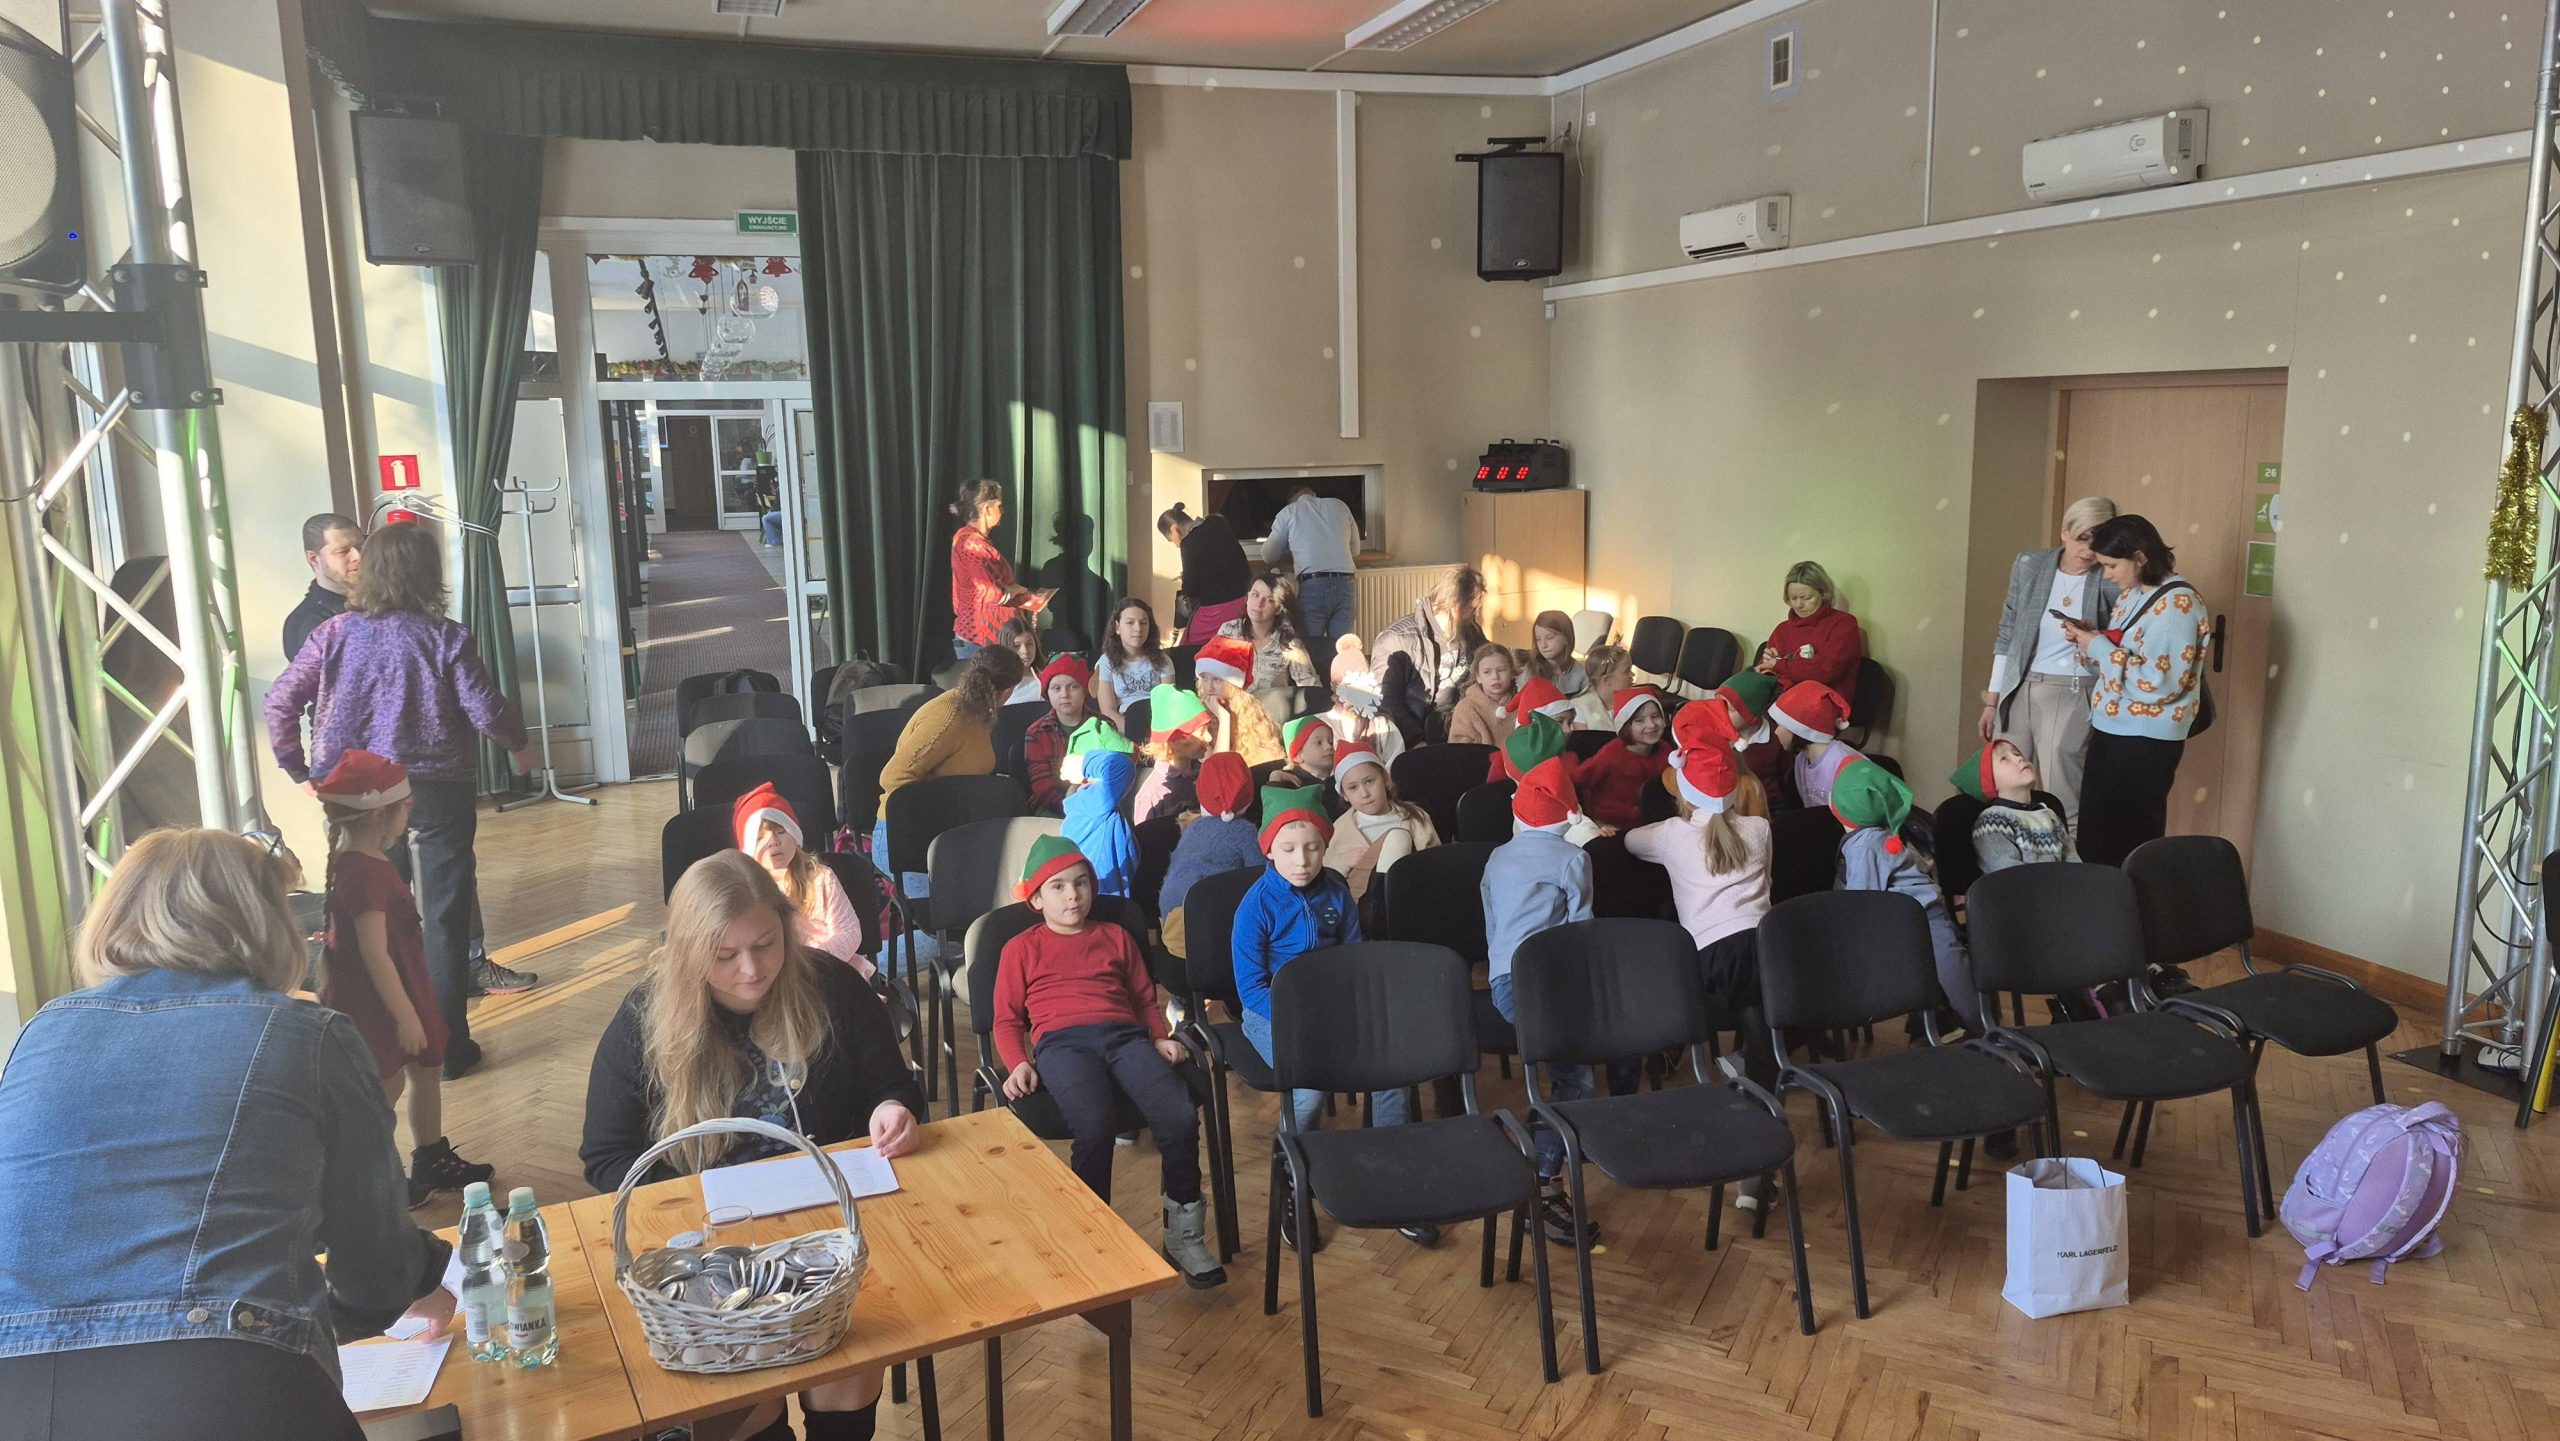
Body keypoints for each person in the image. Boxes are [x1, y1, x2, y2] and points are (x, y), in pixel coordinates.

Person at [0, 829, 454, 1438]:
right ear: (264, 921)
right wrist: (397, 1286)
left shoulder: (40, 1033)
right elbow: (374, 1267)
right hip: (222, 1382)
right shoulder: (309, 1033)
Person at [581, 851, 920, 1441]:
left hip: (829, 1229)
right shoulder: (645, 1020)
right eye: (724, 955)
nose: (751, 969)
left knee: (848, 1364)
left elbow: (893, 1085)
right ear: (689, 953)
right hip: (713, 1244)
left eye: (766, 944)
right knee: (745, 1396)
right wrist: (698, 1202)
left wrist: (893, 1109)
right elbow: (606, 1157)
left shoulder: (831, 985)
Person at [265, 521, 540, 1081]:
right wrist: (519, 746)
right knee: (442, 918)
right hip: (433, 789)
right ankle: (447, 1051)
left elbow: (279, 704)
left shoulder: (332, 634)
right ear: (428, 575)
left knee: (362, 917)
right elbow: (484, 708)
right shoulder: (445, 638)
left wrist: (297, 769)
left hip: (354, 793)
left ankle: (365, 1048)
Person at [994, 837, 1225, 1288]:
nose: (1073, 895)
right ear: (1036, 899)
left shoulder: (1115, 937)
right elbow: (1006, 1020)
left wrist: (1159, 1038)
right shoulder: (1020, 949)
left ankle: (1184, 1234)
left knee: (1178, 1114)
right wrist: (1018, 1062)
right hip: (1062, 1046)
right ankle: (1092, 1241)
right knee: (1095, 1126)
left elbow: (1142, 999)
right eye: (1058, 886)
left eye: (1081, 883)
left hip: (1125, 1039)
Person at [1232, 784, 1426, 1250]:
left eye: (1313, 848)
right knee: (1310, 1085)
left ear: (1326, 847)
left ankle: (1390, 1176)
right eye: (1288, 849)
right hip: (1273, 1013)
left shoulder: (1336, 891)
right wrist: (1304, 1022)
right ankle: (1293, 1178)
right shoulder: (1255, 906)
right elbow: (1251, 988)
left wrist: (1351, 1013)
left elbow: (1353, 960)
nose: (1302, 860)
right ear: (1269, 851)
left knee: (1392, 1072)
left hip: (1333, 1005)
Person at [315, 750, 493, 1210]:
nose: (411, 811)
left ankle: (430, 1157)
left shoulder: (360, 861)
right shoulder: (366, 873)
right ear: (380, 814)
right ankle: (371, 1179)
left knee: (426, 1069)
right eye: (406, 805)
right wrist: (405, 1016)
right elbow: (374, 954)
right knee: (386, 1088)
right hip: (384, 999)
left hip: (402, 984)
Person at [1624, 708, 1781, 1206]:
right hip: (1768, 951)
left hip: (1710, 961)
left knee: (1733, 1010)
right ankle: (1755, 1172)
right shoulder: (1759, 829)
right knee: (1762, 1037)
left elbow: (1629, 842)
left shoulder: (1671, 835)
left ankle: (1721, 1116)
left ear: (1684, 791)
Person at [1482, 755, 1598, 1245]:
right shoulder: (1573, 859)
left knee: (1565, 1068)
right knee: (1577, 1078)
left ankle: (1552, 1143)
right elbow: (1580, 934)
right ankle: (1543, 1179)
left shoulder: (1497, 857)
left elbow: (1491, 922)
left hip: (1503, 983)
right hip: (1544, 982)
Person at [2069, 514, 2211, 868]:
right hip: (2113, 727)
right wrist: (2092, 641)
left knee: (2127, 838)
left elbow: (2159, 683)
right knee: (2096, 834)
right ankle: (2101, 900)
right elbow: (2122, 660)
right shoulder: (2131, 594)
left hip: (2144, 737)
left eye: (2112, 565)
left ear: (2141, 557)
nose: (2107, 575)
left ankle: (2129, 903)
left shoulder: (2178, 604)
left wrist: (2100, 646)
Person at [1979, 497, 2122, 826]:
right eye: (2082, 538)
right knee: (2005, 784)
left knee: (2063, 791)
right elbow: (2008, 633)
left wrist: (2094, 635)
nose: (2089, 550)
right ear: (2065, 531)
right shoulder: (2030, 564)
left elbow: (2123, 636)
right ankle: (2006, 851)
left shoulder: (2109, 576)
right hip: (2020, 686)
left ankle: (2070, 854)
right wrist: (1992, 701)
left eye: (2098, 541)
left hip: (2073, 689)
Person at [875, 646, 1028, 937]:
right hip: (906, 837)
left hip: (951, 838)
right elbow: (893, 777)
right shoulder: (947, 716)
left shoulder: (981, 712)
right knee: (954, 931)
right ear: (1006, 692)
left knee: (989, 918)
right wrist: (943, 811)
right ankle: (876, 958)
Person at [1830, 760, 1977, 1035]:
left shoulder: (1865, 845)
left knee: (1952, 972)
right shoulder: (1879, 833)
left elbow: (1863, 899)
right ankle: (1943, 1023)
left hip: (1922, 916)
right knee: (1939, 970)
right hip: (1913, 915)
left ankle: (1981, 1027)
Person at [736, 784, 869, 975]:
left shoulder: (820, 878)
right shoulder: (749, 892)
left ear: (795, 836)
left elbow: (850, 931)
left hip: (830, 969)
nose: (773, 842)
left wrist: (815, 962)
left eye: (780, 831)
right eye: (760, 837)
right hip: (778, 976)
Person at [1156, 753, 1263, 958]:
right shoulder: (1244, 832)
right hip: (1205, 923)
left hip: (1169, 916)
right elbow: (1260, 876)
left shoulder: (1192, 828)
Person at [1372, 564, 1490, 746]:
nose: (1477, 615)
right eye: (1472, 609)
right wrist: (1415, 741)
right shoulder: (1397, 639)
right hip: (1417, 738)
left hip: (1463, 731)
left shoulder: (1471, 631)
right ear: (1455, 606)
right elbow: (1387, 701)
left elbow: (1493, 660)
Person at [1323, 741, 1440, 903]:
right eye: (1353, 788)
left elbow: (1436, 864)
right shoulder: (1338, 830)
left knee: (1398, 838)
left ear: (1385, 779)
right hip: (1359, 907)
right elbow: (1325, 880)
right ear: (1344, 795)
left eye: (1369, 781)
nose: (1364, 793)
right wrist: (1343, 861)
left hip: (1414, 898)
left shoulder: (1416, 817)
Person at [1260, 485, 1361, 665]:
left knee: (1309, 648)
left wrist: (1293, 545)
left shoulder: (1290, 512)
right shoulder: (1340, 506)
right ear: (1314, 494)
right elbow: (1355, 550)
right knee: (1343, 648)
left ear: (1292, 501)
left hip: (1313, 585)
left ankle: (1315, 682)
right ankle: (1341, 681)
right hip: (1345, 583)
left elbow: (1268, 555)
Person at [1952, 738, 2078, 873]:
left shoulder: (2049, 815)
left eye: (2017, 754)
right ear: (1989, 781)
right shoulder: (1992, 822)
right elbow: (2007, 872)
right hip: (2021, 886)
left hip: (2059, 885)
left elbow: (2074, 863)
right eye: (2004, 759)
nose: (2019, 758)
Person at [950, 479, 1043, 661]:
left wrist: (1024, 597)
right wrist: (1018, 589)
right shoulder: (972, 544)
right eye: (999, 506)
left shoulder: (974, 541)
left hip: (985, 638)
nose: (1001, 511)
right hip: (979, 640)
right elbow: (995, 594)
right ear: (987, 509)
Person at [1217, 571, 1322, 717]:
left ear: (1278, 608)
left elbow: (1310, 685)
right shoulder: (1228, 631)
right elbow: (1209, 675)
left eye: (1269, 600)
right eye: (1255, 595)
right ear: (1247, 597)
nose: (1259, 603)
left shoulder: (1289, 642)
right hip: (1230, 714)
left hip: (1270, 718)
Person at [1755, 560, 1865, 696]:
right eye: (1793, 598)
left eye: (1806, 598)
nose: (1799, 605)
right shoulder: (1782, 629)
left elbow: (1826, 671)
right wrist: (1768, 664)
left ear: (1823, 593)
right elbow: (1762, 671)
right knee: (1735, 692)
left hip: (1821, 700)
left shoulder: (1843, 624)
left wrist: (1779, 665)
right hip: (1779, 696)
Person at [1576, 687, 1672, 831]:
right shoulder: (1611, 755)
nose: (1651, 725)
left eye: (1655, 716)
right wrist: (1597, 822)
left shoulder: (1666, 750)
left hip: (1651, 822)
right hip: (1613, 825)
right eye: (1639, 720)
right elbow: (1581, 781)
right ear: (1625, 726)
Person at [1060, 726, 1139, 899]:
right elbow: (1123, 767)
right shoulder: (1096, 801)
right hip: (1103, 898)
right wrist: (1082, 764)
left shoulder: (1091, 803)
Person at [1156, 502, 1254, 639]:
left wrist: (1185, 578)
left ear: (1174, 530)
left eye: (1172, 540)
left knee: (1190, 640)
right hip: (1246, 598)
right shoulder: (1217, 522)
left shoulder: (1188, 543)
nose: (1176, 545)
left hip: (1218, 608)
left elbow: (1190, 589)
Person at [1769, 680, 1864, 812]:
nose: (1776, 732)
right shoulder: (1802, 759)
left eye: (1781, 725)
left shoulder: (1843, 766)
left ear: (1800, 729)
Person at [1192, 634, 1285, 767]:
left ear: (1233, 684)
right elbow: (1216, 769)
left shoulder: (1252, 713)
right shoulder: (1198, 718)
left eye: (1217, 680)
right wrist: (1224, 719)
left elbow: (1268, 761)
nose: (1209, 687)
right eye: (1205, 679)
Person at [283, 511, 361, 660]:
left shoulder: (379, 602)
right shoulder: (306, 623)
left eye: (361, 547)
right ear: (314, 559)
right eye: (342, 551)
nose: (357, 556)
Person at [1133, 684, 1215, 823]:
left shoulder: (1205, 775)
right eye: (1201, 732)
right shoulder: (1153, 798)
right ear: (1175, 741)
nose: (1209, 738)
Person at [1093, 596, 1174, 734]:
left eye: (1143, 623)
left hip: (1158, 726)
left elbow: (1169, 704)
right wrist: (1133, 733)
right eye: (1130, 622)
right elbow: (1108, 711)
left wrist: (1156, 736)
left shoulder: (1163, 660)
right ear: (1117, 627)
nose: (1138, 629)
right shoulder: (1106, 661)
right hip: (1122, 727)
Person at [1322, 636, 1406, 769]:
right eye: (1346, 685)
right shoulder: (1324, 725)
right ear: (1334, 686)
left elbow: (1396, 766)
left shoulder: (1382, 725)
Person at [1023, 655, 1093, 814]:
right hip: (1053, 810)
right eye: (1056, 688)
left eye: (1073, 687)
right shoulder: (1036, 733)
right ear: (1047, 692)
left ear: (1085, 690)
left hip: (1096, 804)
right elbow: (1043, 789)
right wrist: (1072, 807)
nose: (1064, 694)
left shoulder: (1104, 725)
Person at [1446, 642, 1520, 747]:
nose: (1495, 676)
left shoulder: (1523, 704)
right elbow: (1460, 751)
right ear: (1478, 677)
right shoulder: (1466, 708)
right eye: (1487, 672)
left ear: (1512, 672)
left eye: (1501, 670)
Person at [1519, 610, 1588, 699]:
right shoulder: (1530, 671)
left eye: (1549, 638)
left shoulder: (1582, 673)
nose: (1543, 645)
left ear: (1567, 638)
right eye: (1538, 639)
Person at [1568, 644, 1632, 731]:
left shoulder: (1635, 702)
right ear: (1607, 680)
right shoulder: (1579, 707)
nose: (1632, 675)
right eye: (1627, 671)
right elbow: (1584, 738)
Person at [1275, 715, 1337, 794]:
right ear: (1298, 755)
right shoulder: (1291, 784)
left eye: (1331, 742)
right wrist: (1275, 782)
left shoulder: (1340, 778)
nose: (1329, 747)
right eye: (1319, 743)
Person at [996, 615, 1047, 705]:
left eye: (1029, 644)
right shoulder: (997, 684)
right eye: (1016, 646)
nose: (1025, 651)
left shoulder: (1048, 678)